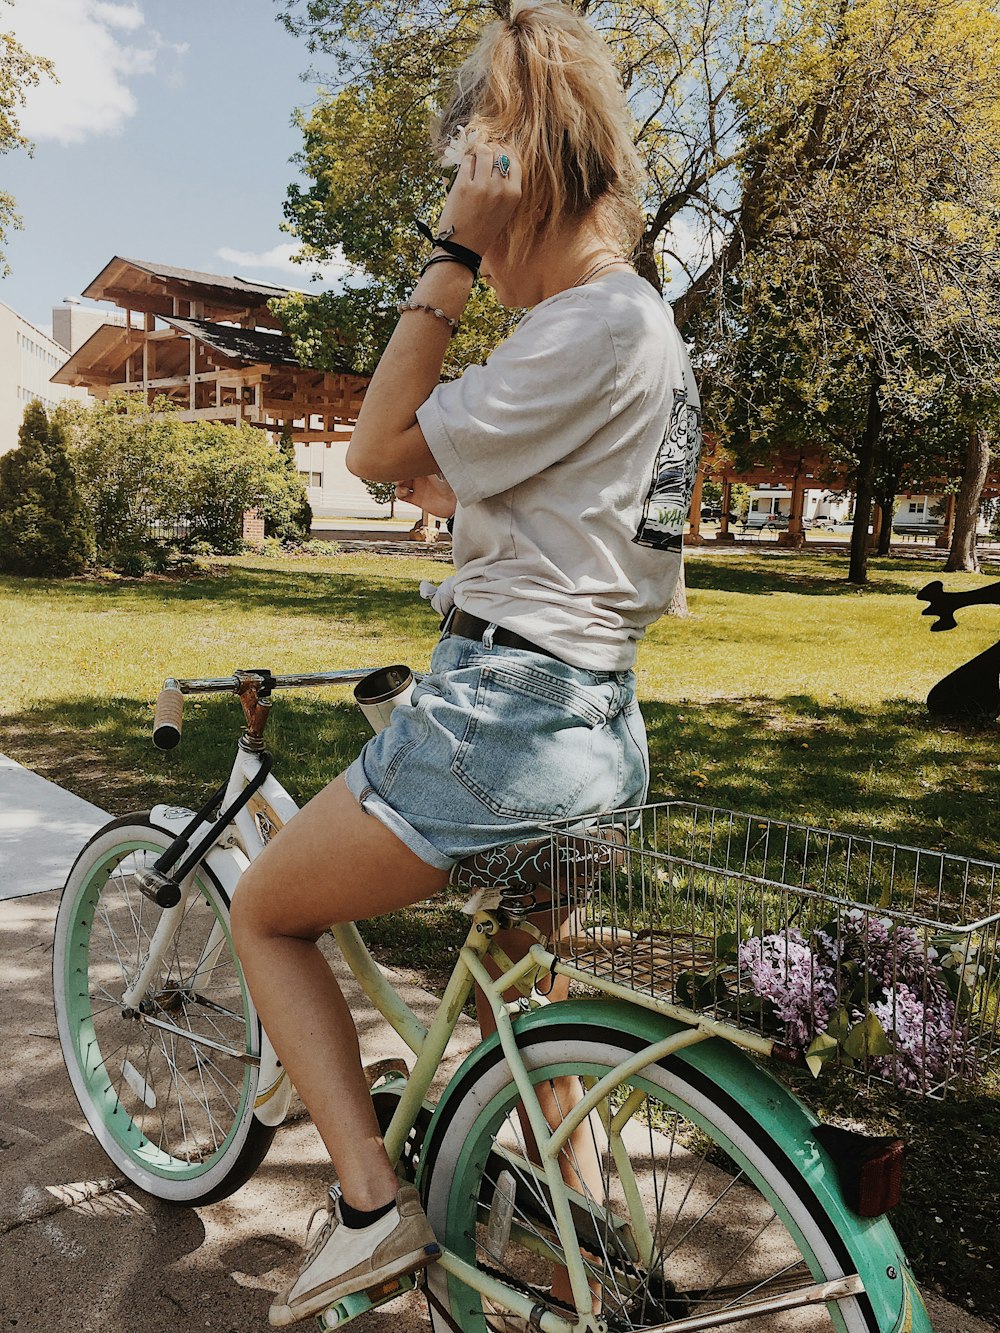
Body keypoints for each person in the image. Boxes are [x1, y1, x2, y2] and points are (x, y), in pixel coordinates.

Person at [230, 2, 702, 1326]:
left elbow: (376, 450)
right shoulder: (654, 337)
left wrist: (450, 251)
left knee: (268, 909)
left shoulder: (583, 326)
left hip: (504, 714)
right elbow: (532, 509)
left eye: (478, 185)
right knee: (517, 1005)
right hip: (603, 724)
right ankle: (594, 1253)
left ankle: (371, 1207)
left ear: (520, 184)